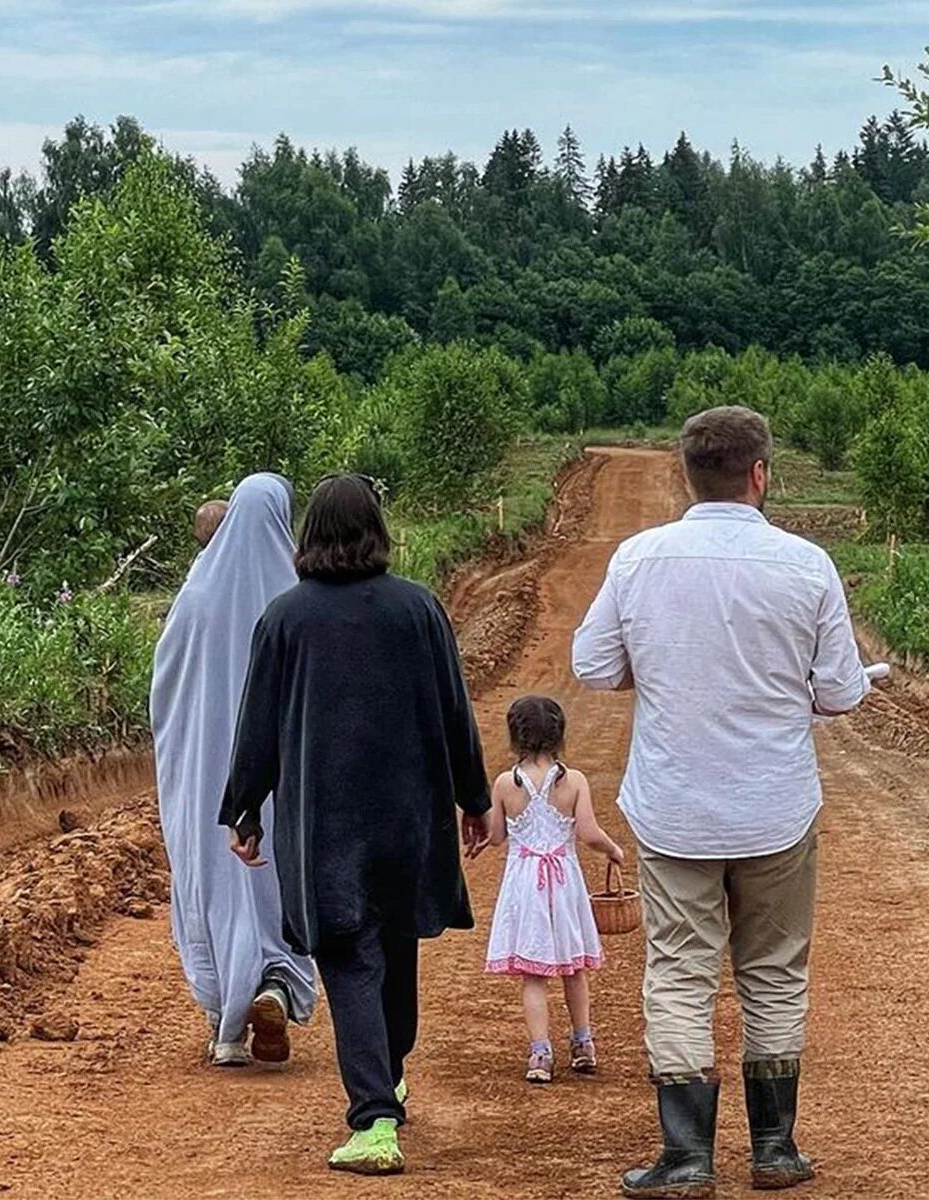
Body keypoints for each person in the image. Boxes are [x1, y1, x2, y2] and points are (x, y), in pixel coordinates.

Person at [572, 406, 870, 1198]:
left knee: (678, 971)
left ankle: (686, 1156)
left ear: (685, 474)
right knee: (773, 970)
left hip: (675, 805)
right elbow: (841, 691)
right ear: (761, 474)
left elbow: (594, 665)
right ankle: (774, 1149)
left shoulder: (639, 560)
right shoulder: (806, 565)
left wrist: (660, 670)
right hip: (775, 804)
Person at [220, 473, 492, 1176]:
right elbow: (454, 710)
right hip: (407, 816)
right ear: (377, 529)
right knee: (394, 952)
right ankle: (388, 1076)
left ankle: (374, 1119)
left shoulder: (286, 618)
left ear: (308, 534)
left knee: (349, 957)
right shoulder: (418, 610)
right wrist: (474, 797)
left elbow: (259, 725)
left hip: (325, 824)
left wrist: (244, 808)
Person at [150, 473, 317, 1068]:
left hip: (204, 776)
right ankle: (275, 983)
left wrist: (189, 751)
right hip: (276, 775)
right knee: (276, 882)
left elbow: (164, 692)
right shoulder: (296, 597)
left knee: (213, 880)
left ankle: (225, 1027)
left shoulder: (194, 598)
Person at [483, 695, 625, 1084]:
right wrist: (614, 850)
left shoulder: (504, 784)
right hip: (564, 882)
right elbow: (589, 833)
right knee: (573, 967)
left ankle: (540, 1053)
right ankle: (583, 1042)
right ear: (560, 734)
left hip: (525, 882)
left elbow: (496, 836)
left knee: (534, 973)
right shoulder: (573, 780)